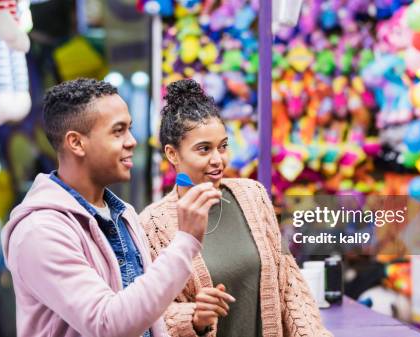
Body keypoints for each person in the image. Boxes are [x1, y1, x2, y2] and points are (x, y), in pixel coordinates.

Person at [1, 78, 223, 337]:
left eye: (130, 129)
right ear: (76, 143)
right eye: (118, 131)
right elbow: (108, 324)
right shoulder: (39, 231)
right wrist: (185, 242)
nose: (132, 142)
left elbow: (146, 317)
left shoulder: (123, 213)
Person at [139, 79, 332, 337]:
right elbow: (149, 314)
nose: (218, 160)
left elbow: (289, 283)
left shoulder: (253, 196)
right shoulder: (151, 225)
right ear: (172, 154)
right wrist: (193, 317)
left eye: (223, 146)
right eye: (204, 149)